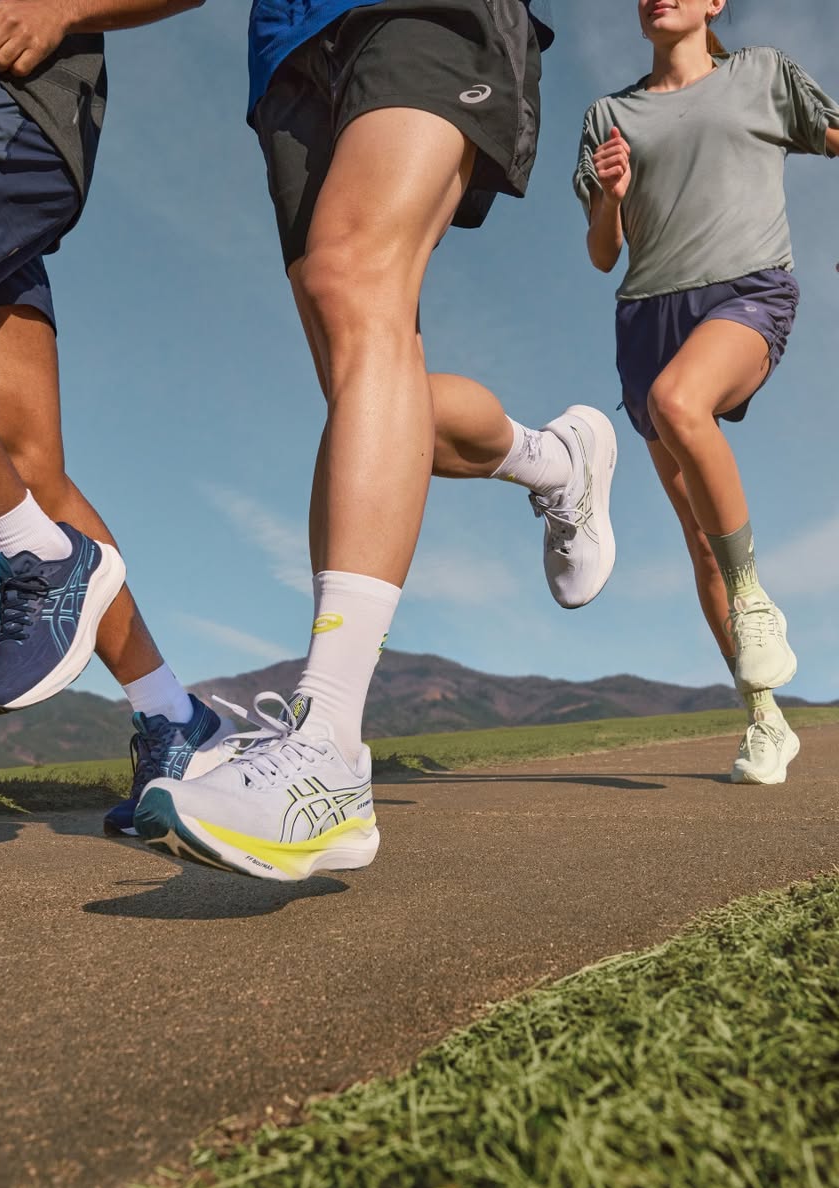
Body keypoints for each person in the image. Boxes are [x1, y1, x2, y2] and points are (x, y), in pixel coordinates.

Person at [114, 0, 617, 882]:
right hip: (288, 47)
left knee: (355, 275)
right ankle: (554, 459)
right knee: (367, 393)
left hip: (421, 9)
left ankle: (329, 744)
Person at [0, 2, 232, 832]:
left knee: (25, 502)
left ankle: (37, 554)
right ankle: (175, 720)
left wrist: (60, 7)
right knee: (24, 462)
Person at [573, 0, 839, 785]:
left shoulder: (762, 75)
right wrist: (611, 194)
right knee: (698, 540)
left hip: (747, 292)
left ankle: (755, 599)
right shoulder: (609, 115)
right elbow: (600, 253)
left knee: (681, 402)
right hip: (646, 315)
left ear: (714, 2)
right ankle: (765, 720)